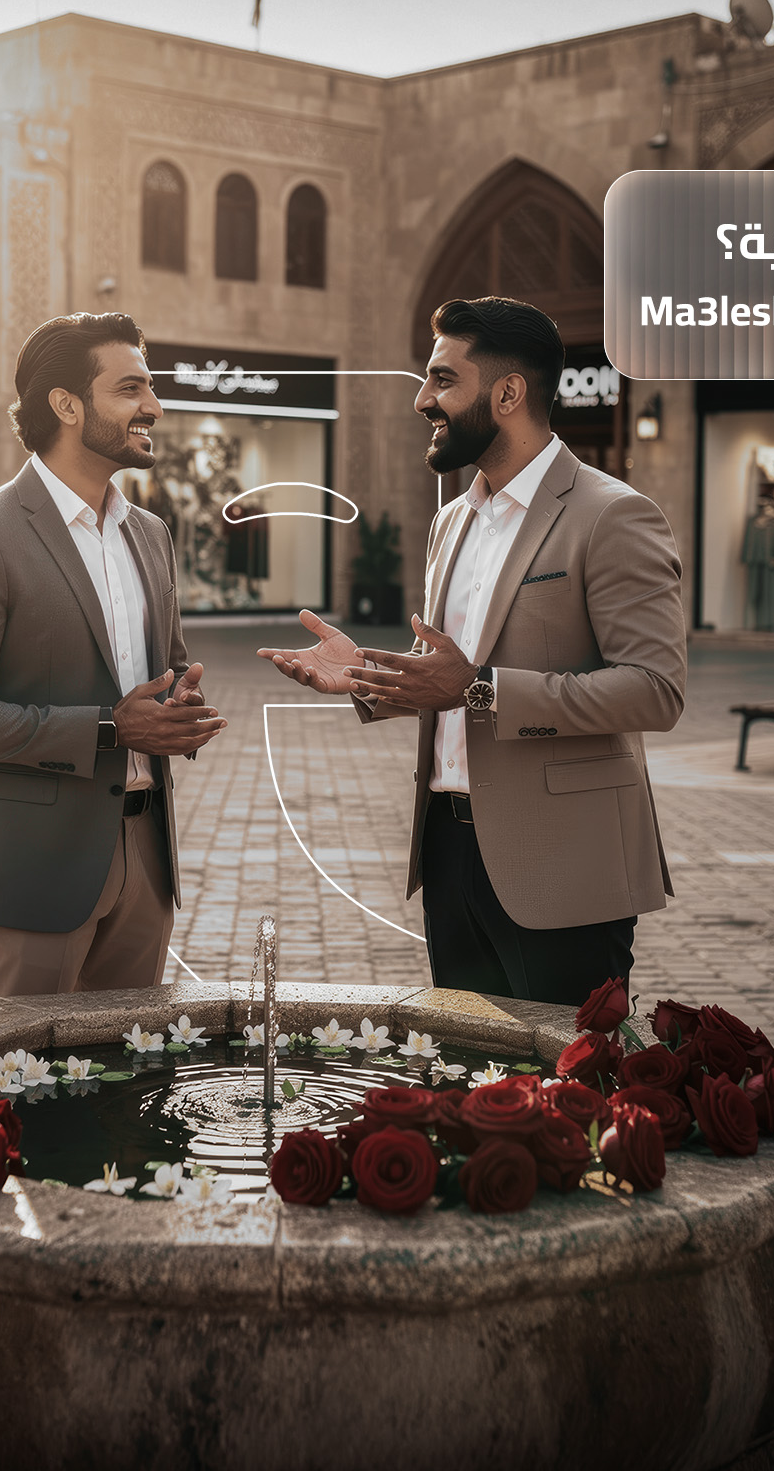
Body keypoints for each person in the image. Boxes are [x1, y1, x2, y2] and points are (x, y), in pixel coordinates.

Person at [259, 296, 686, 1006]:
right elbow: (445, 676)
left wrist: (481, 688)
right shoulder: (451, 521)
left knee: (565, 1099)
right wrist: (366, 674)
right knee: (468, 1097)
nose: (424, 399)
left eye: (442, 380)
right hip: (448, 857)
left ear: (508, 393)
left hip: (564, 868)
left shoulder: (612, 515)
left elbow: (654, 689)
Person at [0, 312, 224, 1000]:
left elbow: (163, 671)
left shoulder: (151, 534)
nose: (154, 406)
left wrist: (178, 705)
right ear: (67, 405)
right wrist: (112, 729)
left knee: (127, 1090)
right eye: (131, 388)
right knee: (21, 1091)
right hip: (30, 865)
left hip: (146, 859)